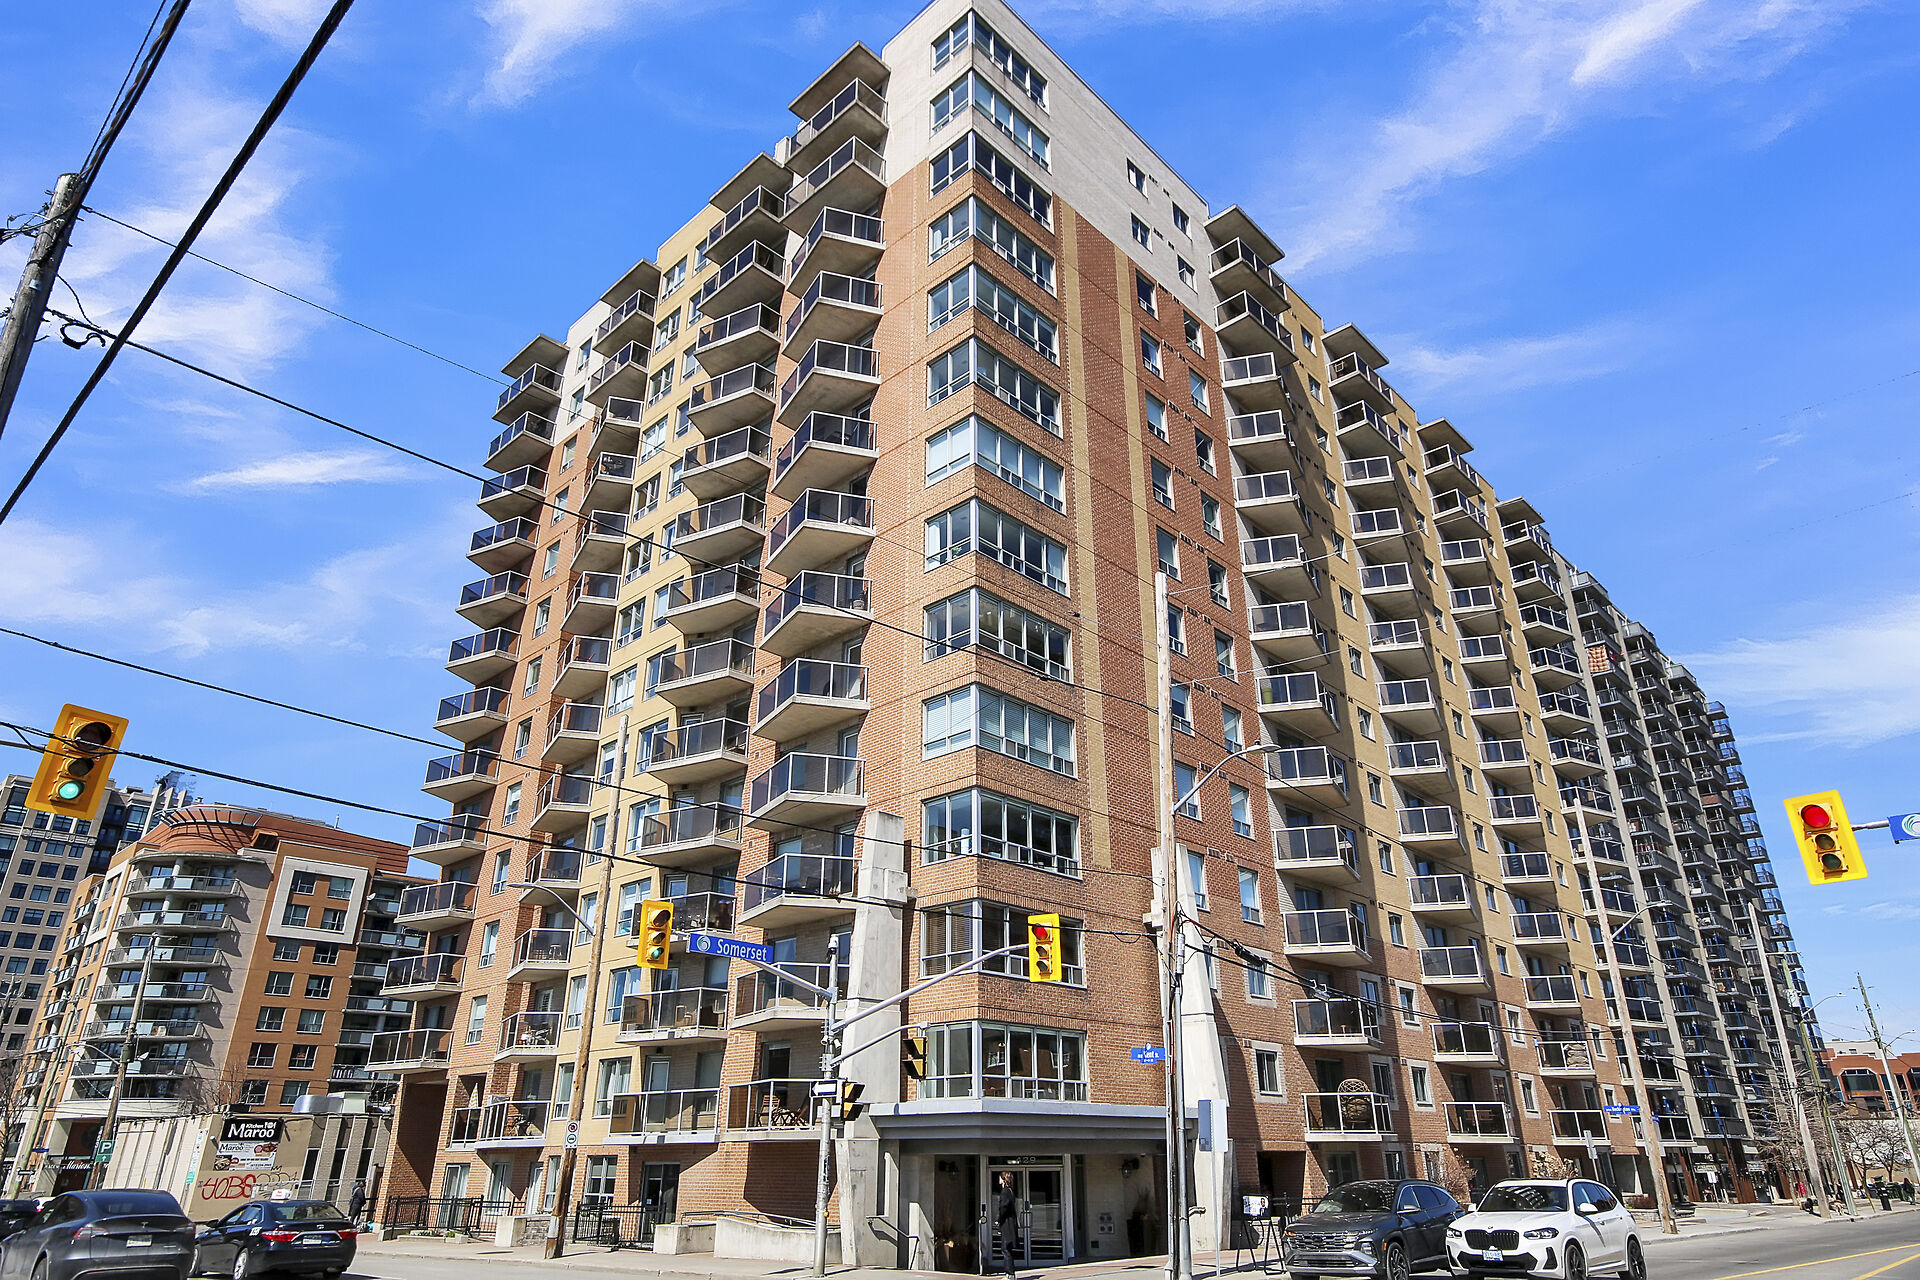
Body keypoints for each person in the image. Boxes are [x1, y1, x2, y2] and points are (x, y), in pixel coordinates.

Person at [994, 1172, 1020, 1279]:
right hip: (1010, 1223)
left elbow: (1003, 1207)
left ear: (1004, 1179)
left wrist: (999, 1219)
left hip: (1007, 1224)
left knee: (1006, 1248)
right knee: (1007, 1248)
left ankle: (1009, 1273)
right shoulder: (1010, 1191)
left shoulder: (1005, 1192)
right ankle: (1010, 1273)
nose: (999, 1179)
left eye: (1000, 1178)